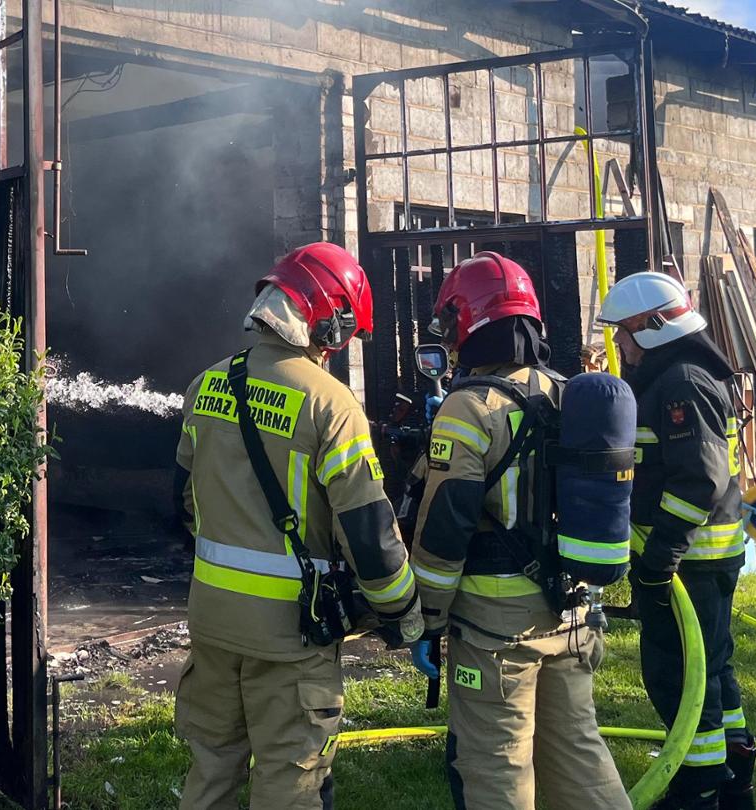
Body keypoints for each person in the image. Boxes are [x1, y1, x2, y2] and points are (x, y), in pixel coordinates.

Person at [173, 242, 423, 809]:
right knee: (291, 784)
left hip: (211, 623)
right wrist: (404, 616)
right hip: (292, 635)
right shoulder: (330, 404)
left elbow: (185, 503)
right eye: (347, 332)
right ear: (327, 320)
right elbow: (369, 535)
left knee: (210, 772)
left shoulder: (206, 384)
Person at [408, 252, 631, 810]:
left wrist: (426, 619)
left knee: (496, 765)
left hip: (496, 628)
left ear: (468, 325)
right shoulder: (566, 392)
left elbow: (445, 527)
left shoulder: (469, 407)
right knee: (579, 754)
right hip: (573, 611)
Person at [598, 271, 755, 810]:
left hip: (689, 562)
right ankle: (735, 774)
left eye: (624, 331)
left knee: (681, 675)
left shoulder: (682, 382)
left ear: (655, 325)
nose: (618, 343)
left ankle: (698, 788)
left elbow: (700, 480)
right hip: (699, 559)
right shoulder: (680, 374)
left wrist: (661, 554)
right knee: (712, 665)